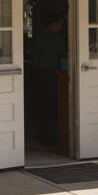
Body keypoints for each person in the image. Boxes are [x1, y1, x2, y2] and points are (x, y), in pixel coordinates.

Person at [29, 14, 68, 145]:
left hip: (37, 74)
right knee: (52, 106)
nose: (62, 27)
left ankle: (42, 134)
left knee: (41, 105)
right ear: (54, 24)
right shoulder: (57, 40)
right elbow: (63, 60)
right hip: (52, 76)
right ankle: (52, 137)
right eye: (61, 24)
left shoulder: (38, 38)